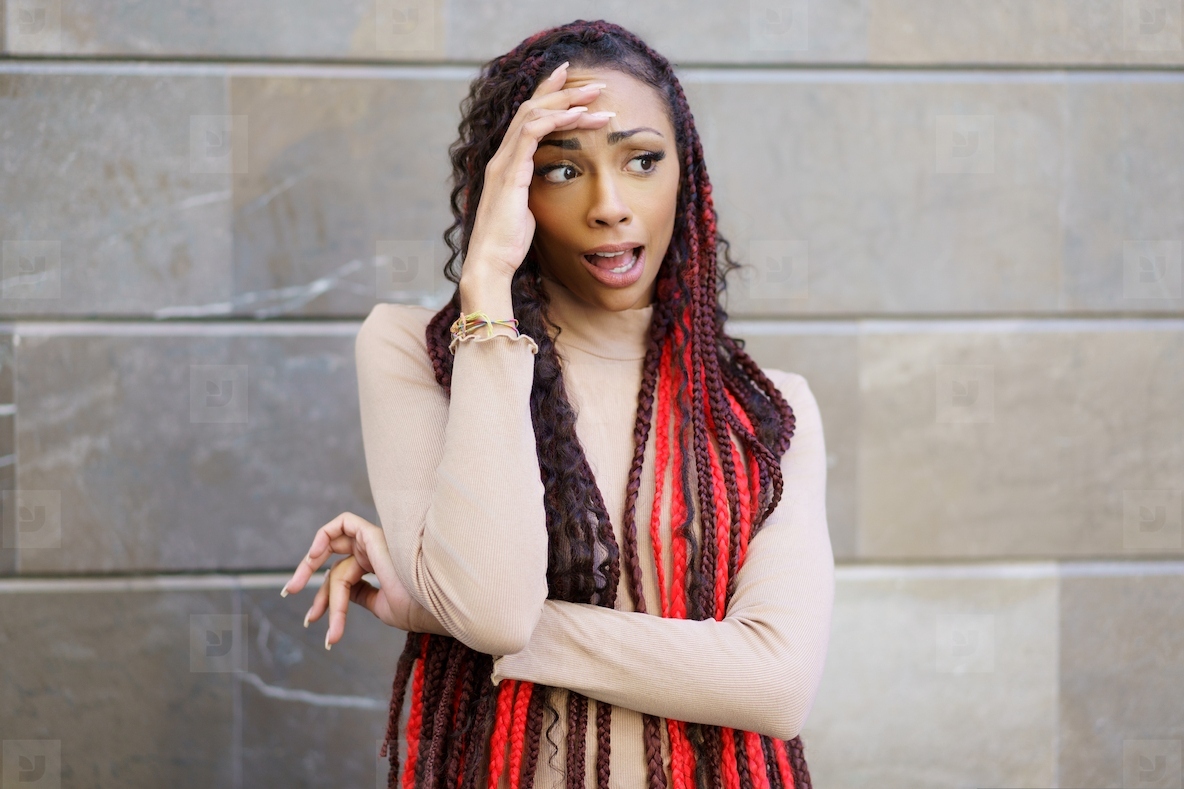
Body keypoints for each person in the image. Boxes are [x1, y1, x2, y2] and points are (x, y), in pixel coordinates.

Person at [280, 19, 834, 789]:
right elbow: (498, 611)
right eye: (561, 170)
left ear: (686, 175)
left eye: (643, 160)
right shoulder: (417, 352)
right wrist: (487, 289)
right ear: (508, 188)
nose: (610, 204)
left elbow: (776, 684)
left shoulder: (767, 412)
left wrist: (438, 607)